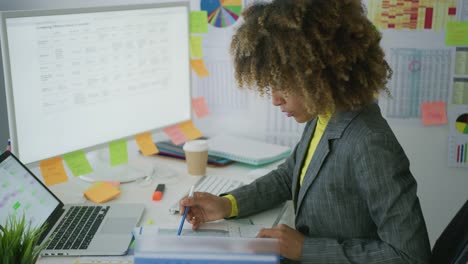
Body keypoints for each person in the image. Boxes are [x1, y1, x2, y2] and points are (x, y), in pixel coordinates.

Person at [179, 0, 431, 263]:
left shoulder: (369, 142)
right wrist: (229, 204)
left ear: (319, 74)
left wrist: (305, 249)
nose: (275, 99)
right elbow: (290, 176)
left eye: (282, 85)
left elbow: (410, 255)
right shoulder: (324, 114)